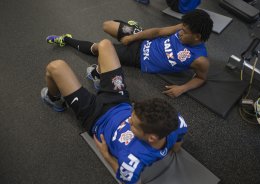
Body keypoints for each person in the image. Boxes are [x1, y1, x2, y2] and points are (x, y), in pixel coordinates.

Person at [41, 39, 188, 184]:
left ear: (151, 138)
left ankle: (54, 99)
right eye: (132, 115)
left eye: (133, 124)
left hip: (94, 116)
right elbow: (177, 145)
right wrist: (173, 148)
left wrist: (106, 155)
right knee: (105, 45)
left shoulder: (132, 159)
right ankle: (97, 77)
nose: (129, 120)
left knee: (55, 67)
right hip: (119, 100)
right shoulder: (177, 123)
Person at [46, 9, 213, 98]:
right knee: (108, 25)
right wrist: (134, 36)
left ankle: (66, 40)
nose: (181, 32)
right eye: (181, 29)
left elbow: (201, 78)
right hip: (143, 40)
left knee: (100, 49)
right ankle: (135, 28)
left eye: (185, 32)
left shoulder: (200, 59)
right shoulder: (182, 27)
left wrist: (182, 89)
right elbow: (159, 31)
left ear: (197, 36)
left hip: (138, 57)